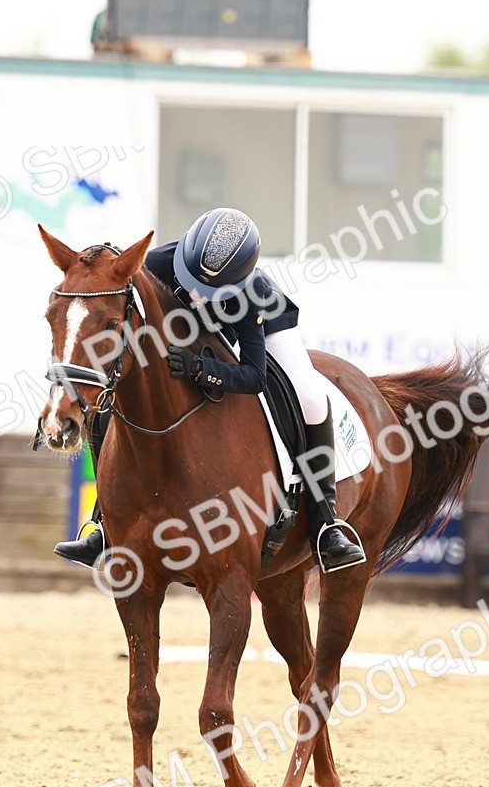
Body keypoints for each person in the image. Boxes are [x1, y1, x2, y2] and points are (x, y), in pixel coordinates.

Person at [54, 207, 366, 572]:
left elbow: (254, 376)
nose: (197, 295)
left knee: (312, 398)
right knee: (110, 392)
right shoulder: (155, 265)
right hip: (186, 336)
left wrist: (203, 370)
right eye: (193, 282)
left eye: (208, 289)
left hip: (257, 330)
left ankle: (327, 523)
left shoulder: (252, 294)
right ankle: (104, 523)